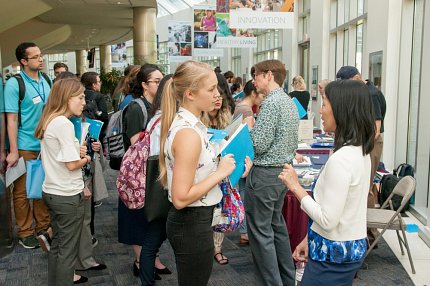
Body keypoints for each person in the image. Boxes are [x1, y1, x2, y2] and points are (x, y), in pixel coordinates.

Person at [278, 80, 375, 285]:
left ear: (341, 110)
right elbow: (343, 210)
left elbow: (328, 219)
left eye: (324, 104)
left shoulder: (342, 160)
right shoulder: (360, 152)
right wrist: (309, 239)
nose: (320, 111)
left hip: (333, 256)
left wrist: (295, 187)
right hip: (343, 249)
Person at [158, 60, 236, 286]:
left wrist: (227, 166)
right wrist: (220, 173)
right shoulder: (188, 133)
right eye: (211, 89)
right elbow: (181, 197)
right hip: (191, 222)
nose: (217, 94)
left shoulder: (190, 126)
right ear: (190, 94)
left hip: (194, 221)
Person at [245, 59, 298, 285]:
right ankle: (287, 279)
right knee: (277, 229)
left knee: (260, 234)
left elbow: (258, 144)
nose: (254, 81)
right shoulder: (288, 101)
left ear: (268, 75)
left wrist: (249, 129)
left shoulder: (270, 103)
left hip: (265, 174)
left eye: (256, 75)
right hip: (281, 174)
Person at [117, 64, 170, 284]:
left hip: (154, 171)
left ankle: (153, 259)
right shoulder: (136, 107)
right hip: (140, 173)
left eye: (161, 80)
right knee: (139, 218)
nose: (159, 85)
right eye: (155, 81)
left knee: (153, 218)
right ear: (144, 85)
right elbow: (133, 142)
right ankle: (141, 261)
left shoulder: (158, 106)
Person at [34, 77, 90, 286]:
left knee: (57, 247)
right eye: (80, 97)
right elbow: (71, 165)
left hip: (51, 191)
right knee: (67, 252)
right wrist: (85, 158)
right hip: (66, 195)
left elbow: (61, 156)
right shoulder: (63, 124)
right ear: (67, 97)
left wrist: (77, 152)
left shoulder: (50, 120)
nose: (84, 101)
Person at [4, 42, 51, 250]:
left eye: (41, 56)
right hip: (24, 145)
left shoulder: (46, 80)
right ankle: (25, 231)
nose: (41, 60)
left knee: (42, 188)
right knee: (22, 192)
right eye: (36, 57)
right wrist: (13, 150)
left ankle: (43, 227)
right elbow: (11, 120)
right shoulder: (15, 84)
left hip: (45, 145)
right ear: (23, 61)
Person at [336, 66, 387, 246]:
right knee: (366, 187)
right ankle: (368, 234)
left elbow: (375, 129)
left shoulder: (370, 94)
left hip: (370, 144)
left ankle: (367, 237)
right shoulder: (364, 92)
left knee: (364, 188)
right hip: (365, 143)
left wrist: (357, 148)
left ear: (357, 77)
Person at [80, 72, 109, 143]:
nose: (100, 83)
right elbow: (104, 117)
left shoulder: (80, 95)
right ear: (94, 85)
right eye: (99, 81)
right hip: (97, 132)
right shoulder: (99, 97)